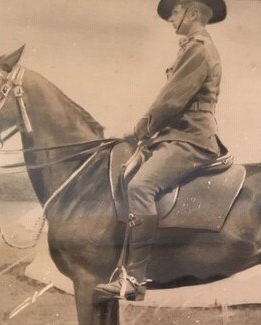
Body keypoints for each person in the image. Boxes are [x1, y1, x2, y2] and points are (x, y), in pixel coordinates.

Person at [94, 0, 228, 302]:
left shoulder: (199, 48)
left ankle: (136, 280)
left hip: (190, 138)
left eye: (175, 11)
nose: (170, 17)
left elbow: (171, 99)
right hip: (176, 136)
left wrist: (141, 129)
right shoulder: (192, 47)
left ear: (192, 13)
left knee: (141, 186)